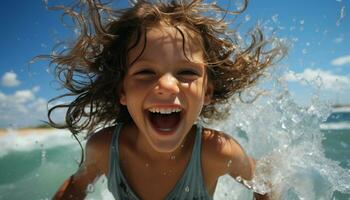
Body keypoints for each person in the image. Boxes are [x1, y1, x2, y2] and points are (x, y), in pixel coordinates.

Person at [48, 0, 282, 199]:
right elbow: (75, 188)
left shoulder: (217, 152)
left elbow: (264, 184)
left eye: (187, 72)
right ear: (123, 92)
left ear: (207, 92)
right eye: (145, 72)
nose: (167, 86)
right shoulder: (104, 149)